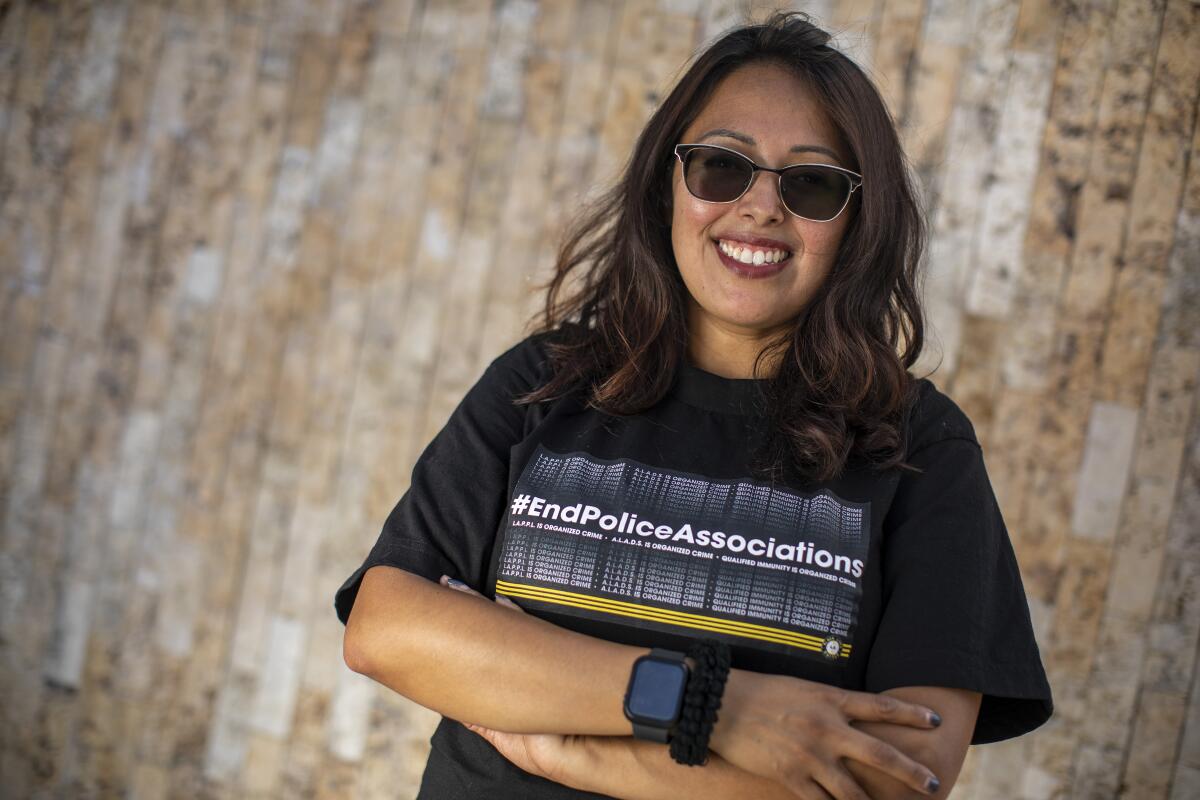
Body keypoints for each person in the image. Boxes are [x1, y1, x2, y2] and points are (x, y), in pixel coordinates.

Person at [334, 11, 1053, 800]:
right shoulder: (545, 382)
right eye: (722, 166)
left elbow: (895, 782)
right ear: (667, 184)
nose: (760, 208)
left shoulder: (918, 448)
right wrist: (716, 705)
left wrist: (576, 751)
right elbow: (388, 629)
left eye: (812, 184)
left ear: (858, 224)